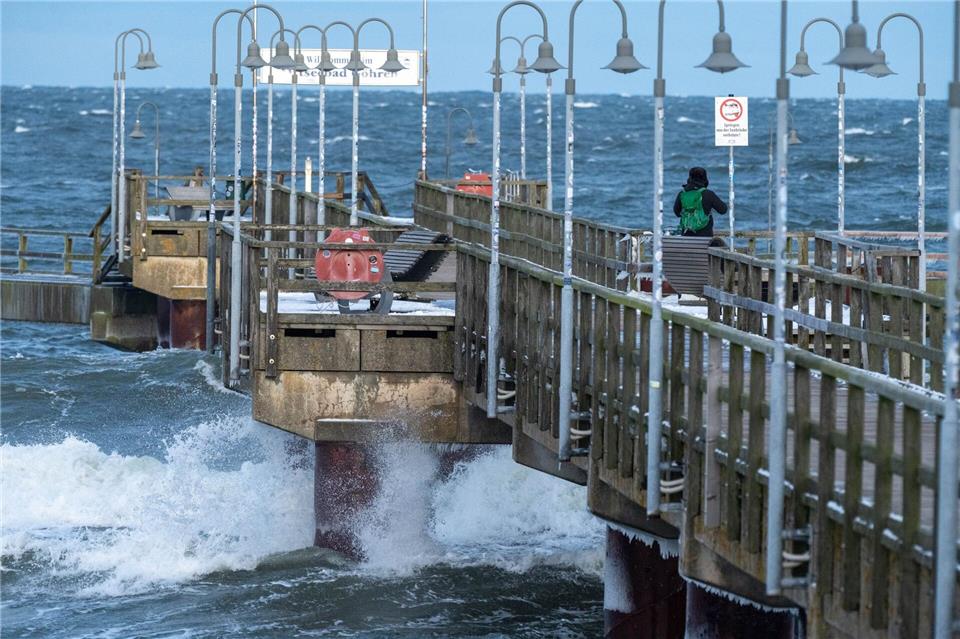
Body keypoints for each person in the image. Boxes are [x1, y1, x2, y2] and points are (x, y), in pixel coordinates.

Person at [673, 167, 728, 237]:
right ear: (705, 178)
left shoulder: (682, 193)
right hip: (704, 239)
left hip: (686, 237)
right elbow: (723, 210)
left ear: (690, 177)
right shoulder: (708, 194)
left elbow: (677, 212)